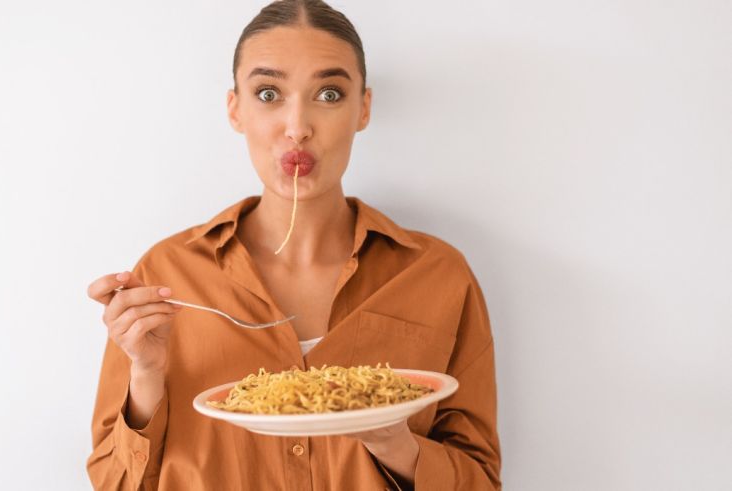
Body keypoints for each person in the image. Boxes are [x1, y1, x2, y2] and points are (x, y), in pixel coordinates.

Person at [85, 1, 501, 489]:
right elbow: (113, 482)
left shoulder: (437, 274)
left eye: (329, 93)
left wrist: (394, 442)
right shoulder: (167, 274)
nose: (297, 125)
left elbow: (480, 480)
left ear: (362, 108)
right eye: (268, 93)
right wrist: (148, 375)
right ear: (235, 109)